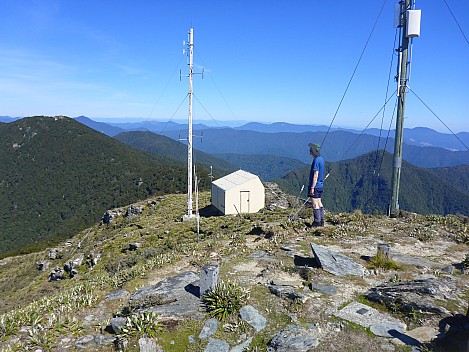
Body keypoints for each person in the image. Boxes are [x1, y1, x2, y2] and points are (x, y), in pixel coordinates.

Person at [308, 143, 325, 227]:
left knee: (315, 204)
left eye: (311, 149)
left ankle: (317, 222)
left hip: (316, 185)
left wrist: (312, 187)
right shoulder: (321, 159)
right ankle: (322, 221)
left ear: (314, 151)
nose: (309, 151)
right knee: (319, 202)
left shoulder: (316, 160)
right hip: (320, 185)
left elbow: (315, 175)